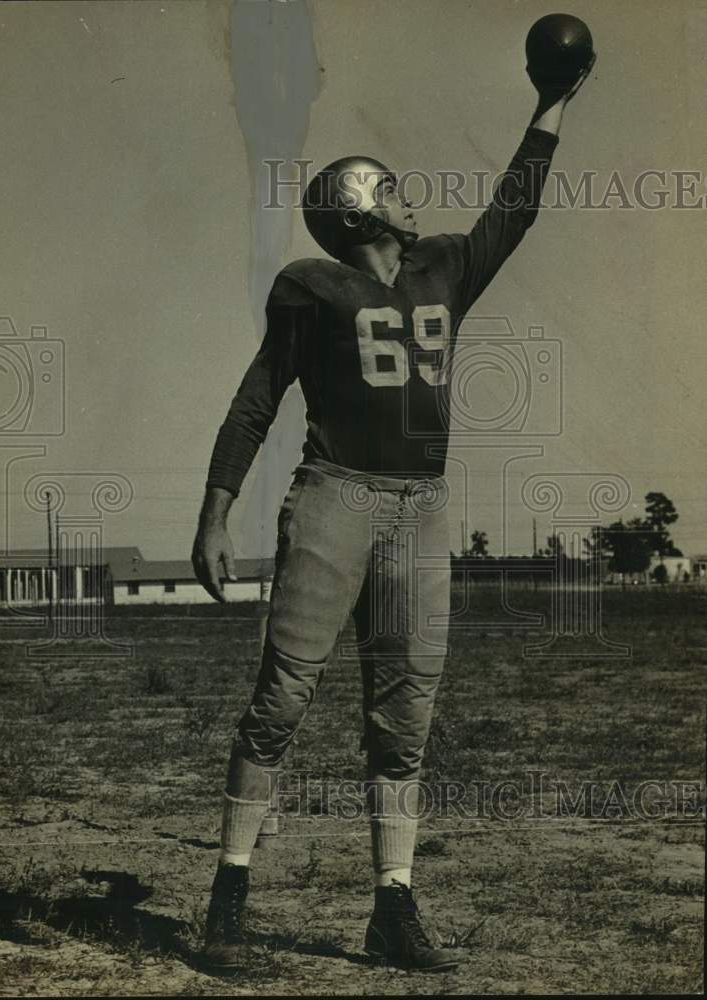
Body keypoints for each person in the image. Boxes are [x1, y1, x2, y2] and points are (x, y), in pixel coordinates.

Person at [191, 64, 594, 972]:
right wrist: (215, 512)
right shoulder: (312, 289)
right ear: (362, 212)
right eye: (395, 193)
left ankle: (393, 908)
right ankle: (228, 898)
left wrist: (552, 102)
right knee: (282, 700)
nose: (414, 204)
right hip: (337, 494)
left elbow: (513, 211)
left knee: (404, 718)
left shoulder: (444, 269)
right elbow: (256, 402)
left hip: (422, 508)